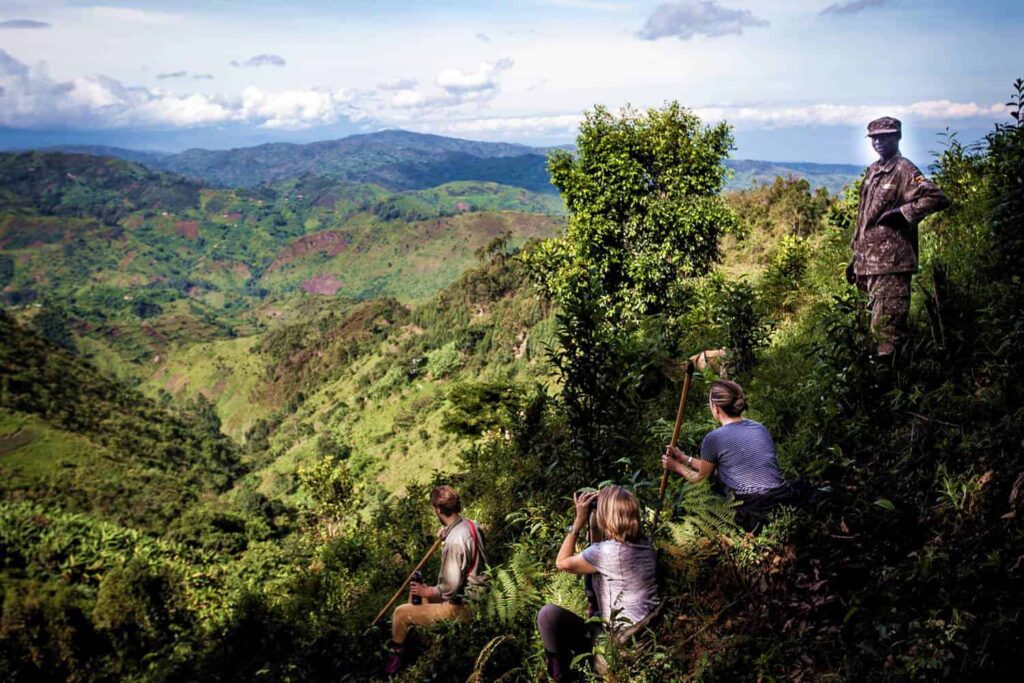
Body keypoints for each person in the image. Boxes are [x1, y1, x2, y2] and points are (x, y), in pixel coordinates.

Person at [847, 116, 949, 356]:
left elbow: (936, 197)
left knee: (888, 337)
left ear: (897, 137)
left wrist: (902, 214)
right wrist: (856, 259)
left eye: (885, 136)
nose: (879, 142)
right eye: (875, 138)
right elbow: (864, 221)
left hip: (891, 266)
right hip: (868, 266)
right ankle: (874, 388)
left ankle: (893, 386)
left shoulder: (903, 168)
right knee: (869, 336)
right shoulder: (873, 171)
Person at [536, 486, 659, 681]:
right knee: (591, 583)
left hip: (615, 648)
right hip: (640, 638)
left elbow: (561, 562)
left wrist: (578, 521)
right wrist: (597, 517)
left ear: (607, 517)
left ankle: (562, 678)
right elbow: (597, 548)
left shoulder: (609, 553)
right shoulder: (646, 544)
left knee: (547, 616)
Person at [662, 379, 800, 531]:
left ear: (715, 407)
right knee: (717, 476)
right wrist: (684, 458)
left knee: (697, 489)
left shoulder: (714, 438)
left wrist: (676, 467)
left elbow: (701, 480)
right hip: (783, 497)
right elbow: (719, 468)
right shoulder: (760, 428)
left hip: (752, 507)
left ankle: (683, 529)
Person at [384, 485, 487, 675]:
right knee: (414, 594)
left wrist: (428, 591)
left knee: (400, 613)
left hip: (464, 607)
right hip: (481, 597)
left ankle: (394, 666)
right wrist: (446, 532)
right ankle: (419, 641)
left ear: (439, 510)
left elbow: (450, 589)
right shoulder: (472, 525)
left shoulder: (454, 542)